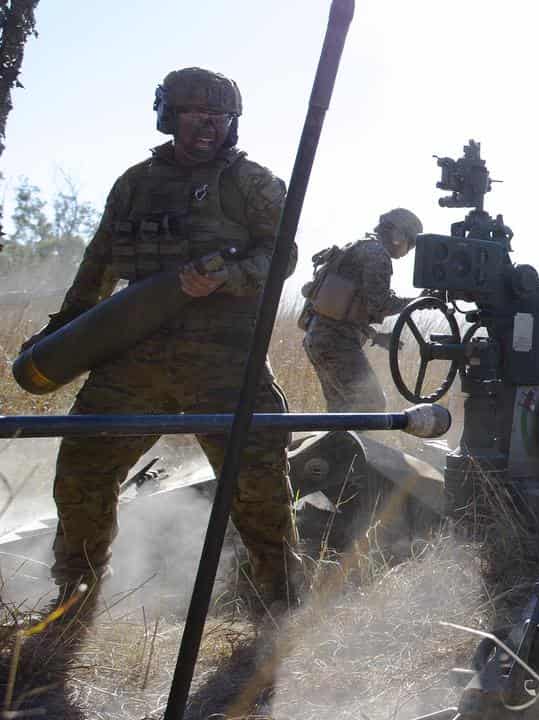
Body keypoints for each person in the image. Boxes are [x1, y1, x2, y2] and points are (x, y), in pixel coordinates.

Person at [34, 67, 299, 608]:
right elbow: (100, 261)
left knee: (257, 486)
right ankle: (75, 592)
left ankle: (278, 597)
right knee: (83, 470)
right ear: (169, 115)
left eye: (220, 116)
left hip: (225, 354)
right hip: (136, 352)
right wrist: (65, 328)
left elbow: (282, 255)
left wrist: (229, 277)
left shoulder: (252, 182)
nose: (209, 125)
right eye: (195, 113)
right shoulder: (135, 182)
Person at [300, 208, 422, 412]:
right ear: (399, 237)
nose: (408, 252)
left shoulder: (360, 247)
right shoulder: (377, 255)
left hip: (320, 338)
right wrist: (418, 301)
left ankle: (338, 444)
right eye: (410, 245)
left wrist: (374, 335)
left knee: (342, 409)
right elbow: (380, 304)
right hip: (336, 342)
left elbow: (346, 308)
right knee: (370, 405)